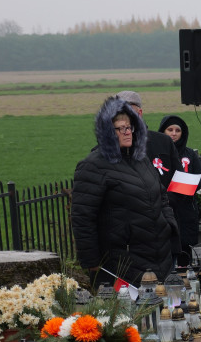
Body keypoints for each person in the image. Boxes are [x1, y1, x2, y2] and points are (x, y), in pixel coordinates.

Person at [72, 95, 178, 288]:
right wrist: (92, 263)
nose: (127, 132)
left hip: (159, 255)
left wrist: (168, 225)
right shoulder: (93, 166)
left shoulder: (141, 160)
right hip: (121, 262)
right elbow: (83, 219)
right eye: (120, 128)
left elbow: (161, 196)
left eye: (129, 127)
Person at [114, 90, 186, 261]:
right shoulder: (108, 150)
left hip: (163, 230)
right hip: (128, 238)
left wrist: (163, 207)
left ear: (139, 112)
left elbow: (182, 183)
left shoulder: (163, 142)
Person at [158, 114, 201, 266]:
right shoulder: (157, 154)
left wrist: (182, 187)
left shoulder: (190, 154)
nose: (173, 133)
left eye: (177, 130)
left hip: (186, 210)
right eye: (169, 129)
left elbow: (200, 178)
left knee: (185, 256)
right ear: (162, 131)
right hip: (164, 210)